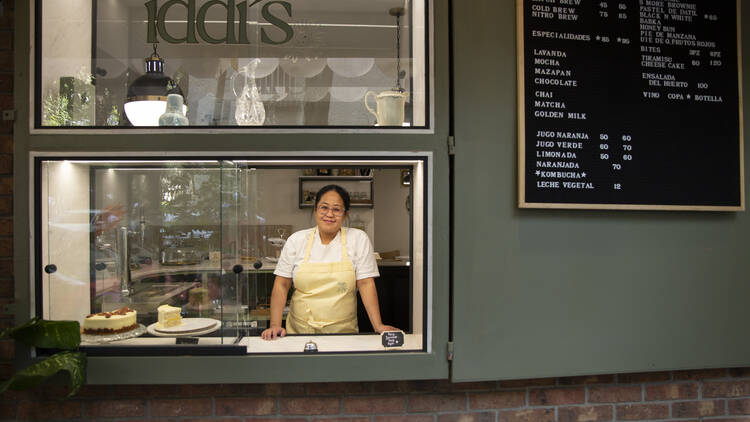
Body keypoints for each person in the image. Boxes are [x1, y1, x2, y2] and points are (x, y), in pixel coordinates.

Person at [261, 184, 398, 340]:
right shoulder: (297, 240)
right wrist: (275, 325)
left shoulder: (358, 239)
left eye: (337, 209)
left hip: (343, 333)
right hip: (299, 333)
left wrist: (378, 325)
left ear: (345, 214)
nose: (329, 214)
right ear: (315, 209)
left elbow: (366, 283)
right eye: (324, 207)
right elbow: (281, 284)